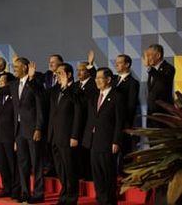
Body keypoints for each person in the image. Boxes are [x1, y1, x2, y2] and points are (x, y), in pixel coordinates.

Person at [82, 67, 123, 205]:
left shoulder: (117, 97)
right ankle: (100, 199)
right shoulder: (94, 96)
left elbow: (119, 122)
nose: (97, 80)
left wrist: (116, 141)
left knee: (108, 174)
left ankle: (109, 201)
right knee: (97, 174)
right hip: (93, 141)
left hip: (108, 142)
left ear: (109, 79)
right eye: (96, 78)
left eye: (100, 78)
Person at [10, 58, 44, 204]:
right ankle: (25, 192)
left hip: (32, 130)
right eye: (13, 66)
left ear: (25, 67)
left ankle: (38, 193)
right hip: (19, 131)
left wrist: (38, 128)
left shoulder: (35, 83)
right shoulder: (13, 85)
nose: (14, 69)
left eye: (17, 67)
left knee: (36, 163)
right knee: (22, 163)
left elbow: (40, 109)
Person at [48, 63, 82, 205]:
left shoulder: (76, 90)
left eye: (60, 73)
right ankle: (64, 194)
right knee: (60, 169)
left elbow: (78, 115)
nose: (57, 76)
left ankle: (72, 197)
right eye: (56, 74)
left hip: (68, 137)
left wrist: (74, 136)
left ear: (69, 75)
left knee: (70, 169)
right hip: (55, 137)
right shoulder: (56, 91)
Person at [0, 72, 21, 199]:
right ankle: (6, 188)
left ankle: (15, 189)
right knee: (2, 165)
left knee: (12, 164)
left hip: (10, 136)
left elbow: (16, 119)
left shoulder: (15, 97)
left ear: (9, 83)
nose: (0, 83)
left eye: (2, 81)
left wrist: (15, 137)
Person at [114, 54, 140, 171]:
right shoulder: (113, 80)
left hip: (124, 123)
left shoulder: (133, 82)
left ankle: (126, 176)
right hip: (112, 122)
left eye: (119, 62)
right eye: (116, 62)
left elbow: (131, 105)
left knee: (125, 151)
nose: (116, 64)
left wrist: (125, 124)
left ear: (127, 64)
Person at [143, 44, 175, 126]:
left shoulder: (169, 68)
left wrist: (149, 68)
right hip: (151, 115)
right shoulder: (152, 71)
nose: (147, 58)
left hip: (163, 115)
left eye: (149, 55)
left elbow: (163, 81)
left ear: (158, 55)